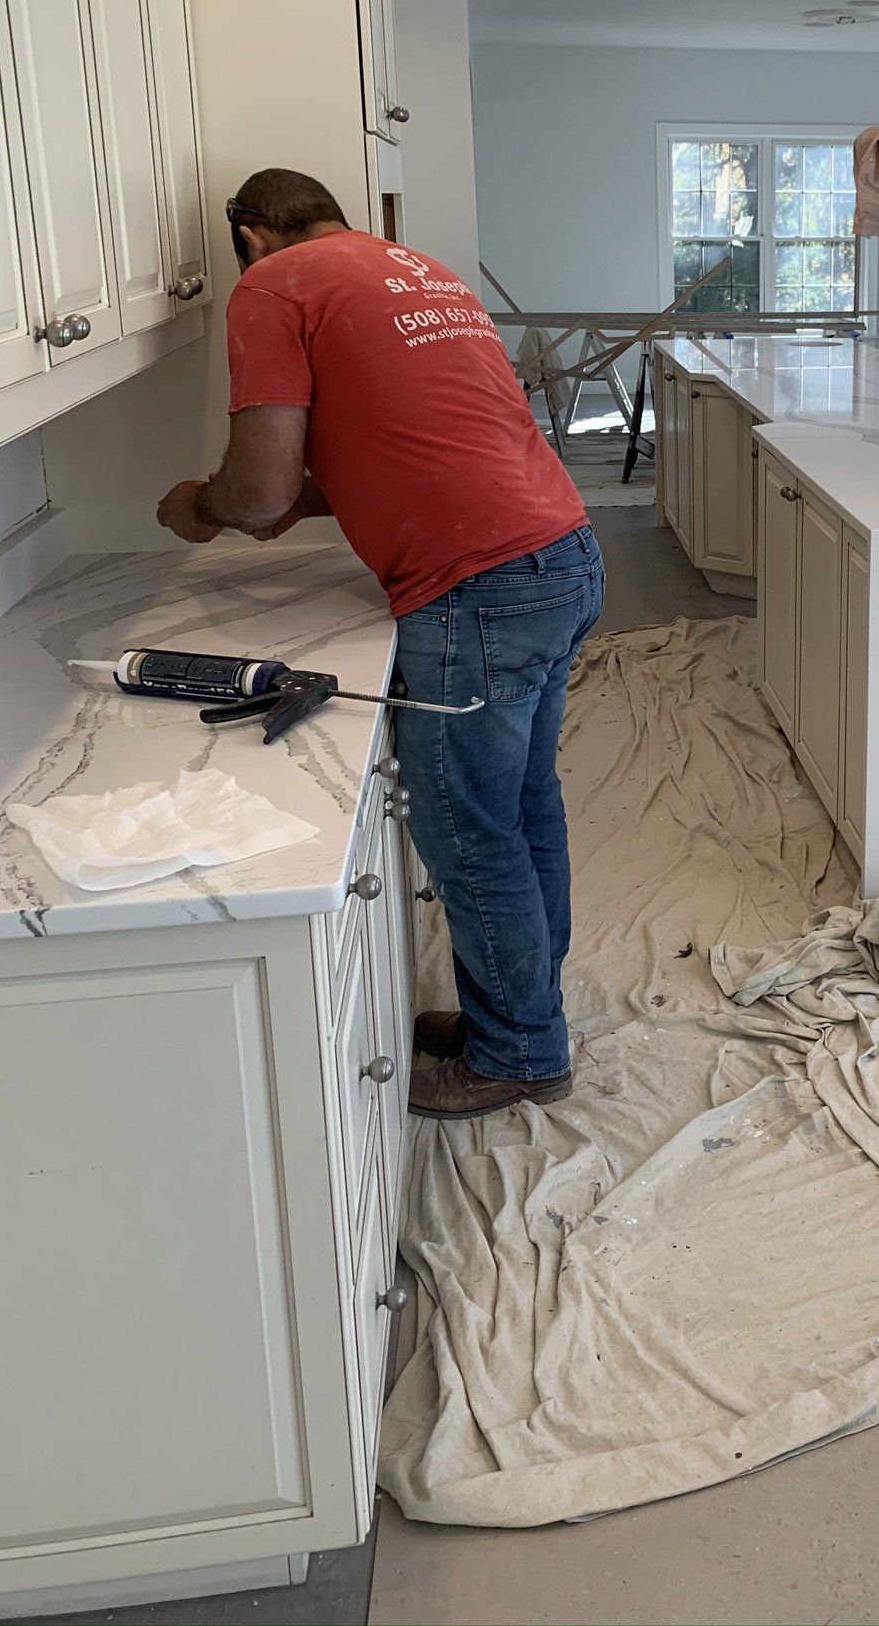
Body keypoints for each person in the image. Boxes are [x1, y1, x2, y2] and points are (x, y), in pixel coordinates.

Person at [156, 168, 603, 1119]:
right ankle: (516, 1013)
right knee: (523, 807)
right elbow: (403, 442)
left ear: (249, 235)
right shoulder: (417, 271)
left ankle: (524, 1051)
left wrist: (202, 506)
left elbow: (263, 493)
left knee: (468, 830)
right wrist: (282, 496)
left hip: (477, 588)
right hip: (561, 552)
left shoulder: (273, 287)